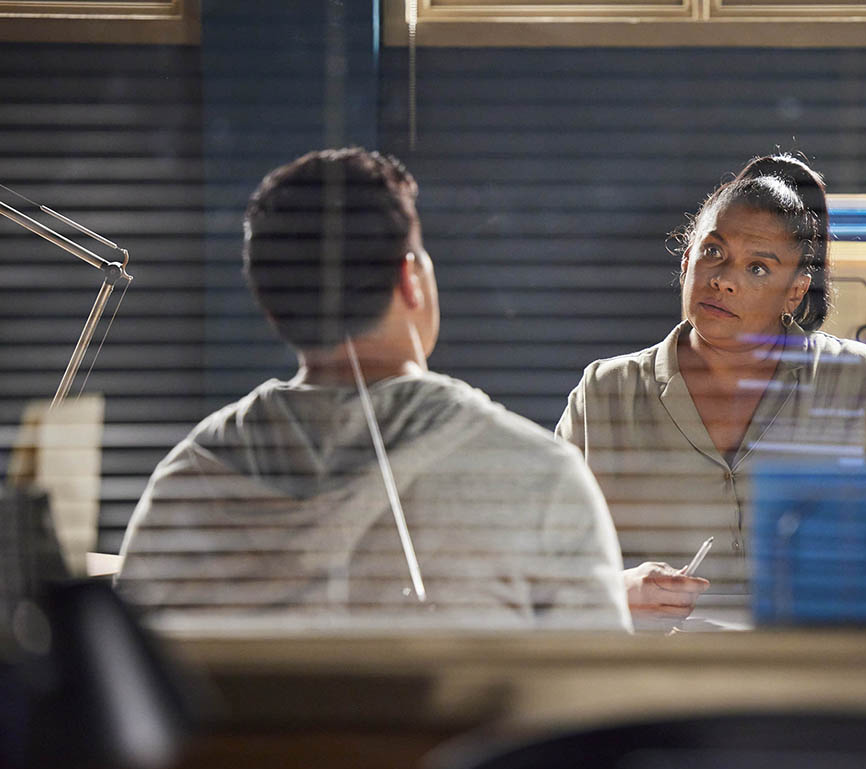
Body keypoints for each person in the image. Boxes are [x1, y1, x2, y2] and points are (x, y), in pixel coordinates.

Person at [117, 148, 631, 632]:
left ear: (271, 305)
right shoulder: (537, 479)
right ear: (410, 279)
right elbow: (598, 692)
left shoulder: (187, 483)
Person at [556, 153, 866, 627]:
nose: (723, 280)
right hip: (662, 666)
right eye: (713, 252)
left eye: (758, 269)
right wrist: (616, 589)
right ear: (687, 259)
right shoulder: (604, 393)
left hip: (816, 660)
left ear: (796, 291)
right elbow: (543, 563)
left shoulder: (860, 381)